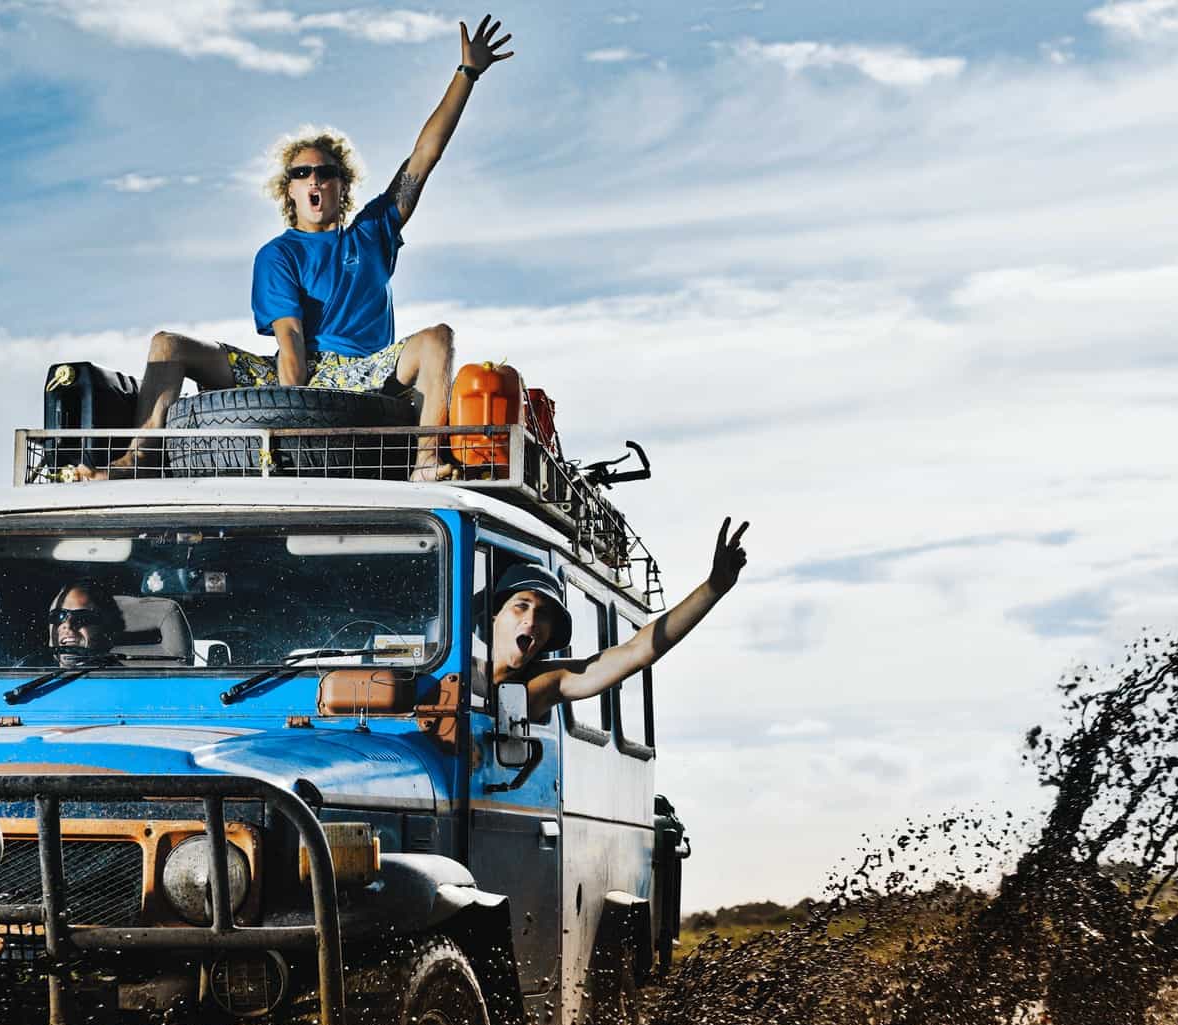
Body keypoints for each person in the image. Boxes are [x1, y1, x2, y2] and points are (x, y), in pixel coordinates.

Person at [94, 15, 517, 483]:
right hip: (289, 373)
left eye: (326, 172)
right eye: (302, 174)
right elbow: (290, 345)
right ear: (289, 191)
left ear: (342, 186)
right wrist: (289, 415)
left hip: (363, 372)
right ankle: (138, 458)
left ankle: (426, 461)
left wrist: (467, 74)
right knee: (167, 345)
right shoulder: (277, 255)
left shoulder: (372, 231)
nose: (314, 178)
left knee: (439, 337)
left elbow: (424, 156)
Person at [491, 518, 750, 722]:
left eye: (544, 613)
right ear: (495, 616)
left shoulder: (542, 685)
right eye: (520, 606)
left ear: (549, 635)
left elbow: (637, 651)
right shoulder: (455, 669)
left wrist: (713, 588)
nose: (531, 619)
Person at [42, 581, 123, 666]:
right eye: (57, 616)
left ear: (107, 630)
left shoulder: (126, 677)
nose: (67, 625)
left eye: (83, 617)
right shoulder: (30, 673)